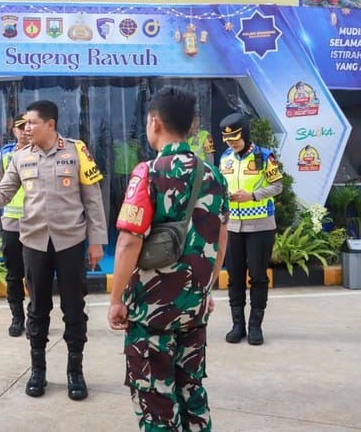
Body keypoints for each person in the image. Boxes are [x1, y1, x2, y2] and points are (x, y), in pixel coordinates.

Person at [0, 100, 108, 401]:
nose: (26, 128)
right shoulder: (19, 157)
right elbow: (3, 193)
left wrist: (96, 242)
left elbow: (92, 199)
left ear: (50, 125)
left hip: (70, 242)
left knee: (74, 308)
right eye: (25, 123)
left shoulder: (77, 151)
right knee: (37, 308)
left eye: (31, 123)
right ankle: (37, 370)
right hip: (34, 242)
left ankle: (74, 372)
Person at [107, 86, 229, 431]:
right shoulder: (214, 175)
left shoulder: (147, 172)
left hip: (150, 311)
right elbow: (221, 241)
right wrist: (204, 291)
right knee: (192, 391)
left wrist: (116, 299)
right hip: (195, 308)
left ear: (154, 122)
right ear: (192, 125)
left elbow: (129, 242)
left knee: (155, 398)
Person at [218, 112, 283, 346]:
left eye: (235, 139)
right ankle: (238, 325)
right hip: (233, 226)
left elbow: (277, 186)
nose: (232, 144)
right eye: (228, 140)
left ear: (245, 133)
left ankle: (256, 325)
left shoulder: (264, 156)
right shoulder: (225, 158)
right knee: (234, 277)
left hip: (260, 225)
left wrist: (253, 195)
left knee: (257, 276)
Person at [0, 113, 29, 337]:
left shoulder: (43, 152)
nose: (25, 130)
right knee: (14, 275)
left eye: (28, 125)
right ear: (13, 130)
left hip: (38, 224)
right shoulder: (5, 154)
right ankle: (17, 317)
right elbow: (0, 187)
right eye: (20, 127)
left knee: (37, 275)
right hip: (12, 223)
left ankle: (36, 316)